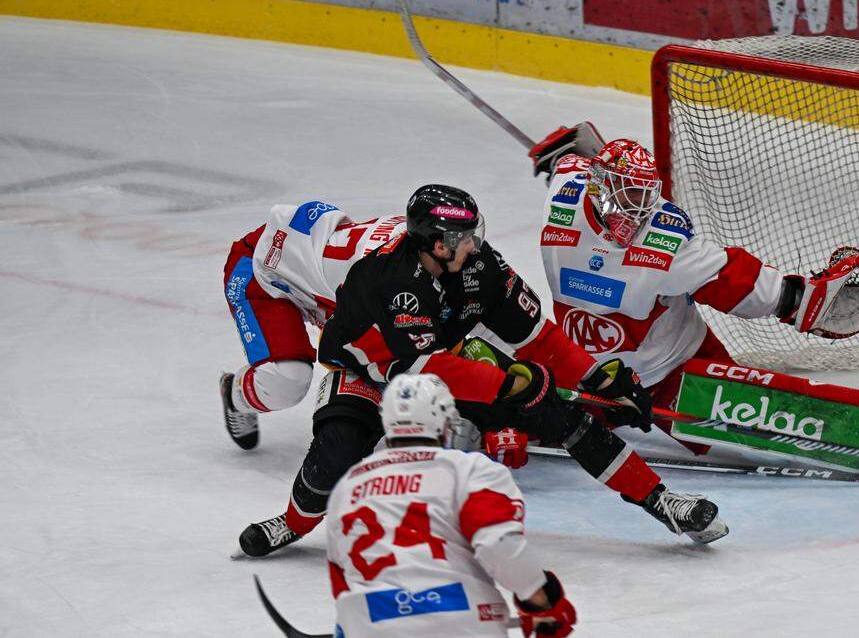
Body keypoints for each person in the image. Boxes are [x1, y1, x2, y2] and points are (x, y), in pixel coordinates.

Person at [236, 184, 728, 558]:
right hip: (374, 369)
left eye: (473, 233)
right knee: (336, 452)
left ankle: (664, 502)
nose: (474, 244)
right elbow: (421, 368)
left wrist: (600, 377)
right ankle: (294, 522)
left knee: (558, 414)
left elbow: (539, 337)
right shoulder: (391, 279)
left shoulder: (478, 266)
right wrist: (509, 383)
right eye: (460, 237)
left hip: (442, 359)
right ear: (433, 243)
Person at [527, 125, 859, 450]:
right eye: (629, 197)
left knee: (741, 436)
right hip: (585, 373)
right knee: (524, 416)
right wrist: (573, 146)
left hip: (673, 369)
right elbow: (572, 162)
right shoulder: (563, 197)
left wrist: (795, 299)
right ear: (599, 187)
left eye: (645, 198)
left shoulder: (664, 242)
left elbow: (728, 276)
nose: (639, 214)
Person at [326, 374, 576, 637]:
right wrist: (542, 602)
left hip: (369, 622)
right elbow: (497, 543)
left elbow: (342, 574)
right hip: (458, 620)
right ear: (446, 421)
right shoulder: (469, 469)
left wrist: (354, 624)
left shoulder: (350, 484)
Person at [219, 202, 409, 449]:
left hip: (310, 262)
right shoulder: (379, 285)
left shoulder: (426, 245)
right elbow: (339, 349)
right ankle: (235, 395)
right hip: (262, 270)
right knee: (288, 381)